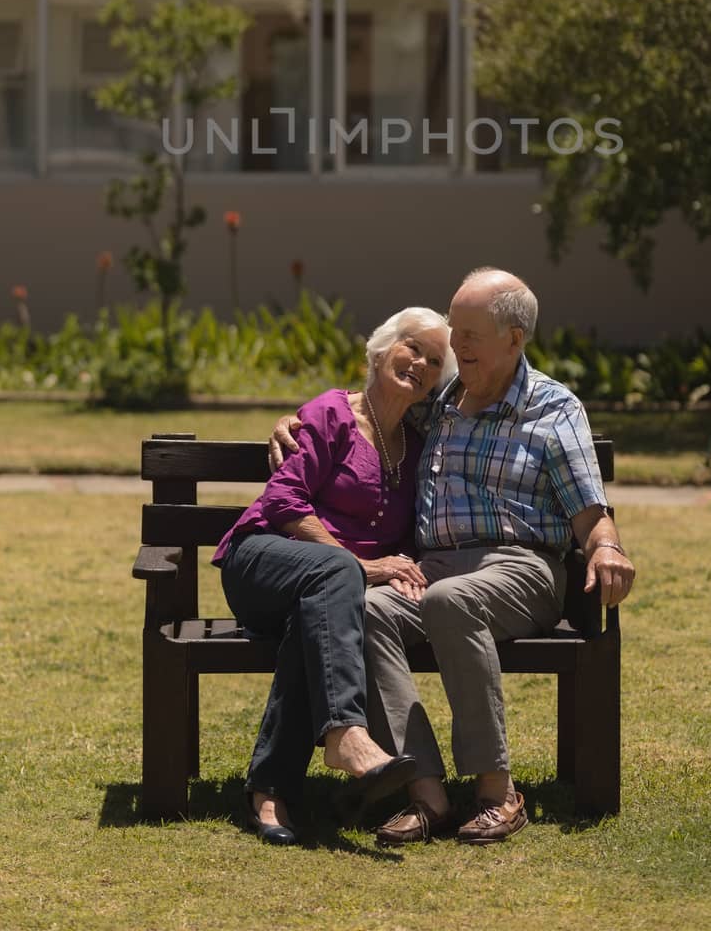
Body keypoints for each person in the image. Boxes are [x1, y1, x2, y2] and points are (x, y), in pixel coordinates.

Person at [270, 267, 635, 846]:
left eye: (470, 332)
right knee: (366, 610)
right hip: (437, 566)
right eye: (453, 328)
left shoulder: (553, 409)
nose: (454, 343)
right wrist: (298, 421)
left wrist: (607, 547)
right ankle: (427, 794)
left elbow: (589, 507)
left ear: (515, 338)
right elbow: (367, 404)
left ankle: (497, 790)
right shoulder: (438, 401)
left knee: (450, 601)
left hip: (523, 567)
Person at [213, 305, 454, 845]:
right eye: (412, 346)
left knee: (316, 616)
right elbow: (283, 502)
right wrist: (363, 565)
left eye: (434, 361)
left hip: (328, 594)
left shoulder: (416, 449)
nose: (419, 362)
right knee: (335, 575)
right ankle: (346, 732)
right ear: (380, 348)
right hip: (263, 561)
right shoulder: (330, 414)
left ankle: (268, 794)